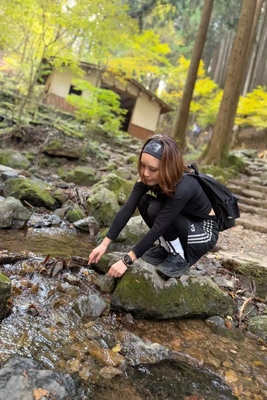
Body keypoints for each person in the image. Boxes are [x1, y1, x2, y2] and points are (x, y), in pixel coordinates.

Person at [88, 134, 219, 279]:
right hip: (180, 221)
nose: (146, 173)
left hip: (202, 233)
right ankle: (165, 248)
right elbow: (128, 208)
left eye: (153, 169)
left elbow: (160, 226)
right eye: (143, 166)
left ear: (168, 167)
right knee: (146, 202)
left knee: (157, 209)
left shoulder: (185, 186)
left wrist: (127, 260)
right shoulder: (147, 177)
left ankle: (179, 257)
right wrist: (104, 244)